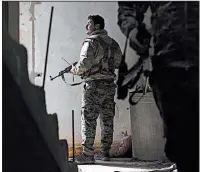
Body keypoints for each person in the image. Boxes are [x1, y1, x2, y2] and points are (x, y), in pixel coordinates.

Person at [117, 2, 199, 172]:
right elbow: (129, 7)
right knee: (183, 145)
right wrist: (134, 32)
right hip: (171, 66)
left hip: (172, 62)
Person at [68, 15, 122, 164]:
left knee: (88, 119)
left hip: (93, 87)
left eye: (89, 24)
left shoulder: (90, 42)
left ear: (97, 26)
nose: (86, 27)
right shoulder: (114, 44)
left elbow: (83, 65)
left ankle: (87, 155)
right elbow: (118, 63)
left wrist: (73, 70)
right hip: (109, 86)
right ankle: (105, 152)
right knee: (107, 119)